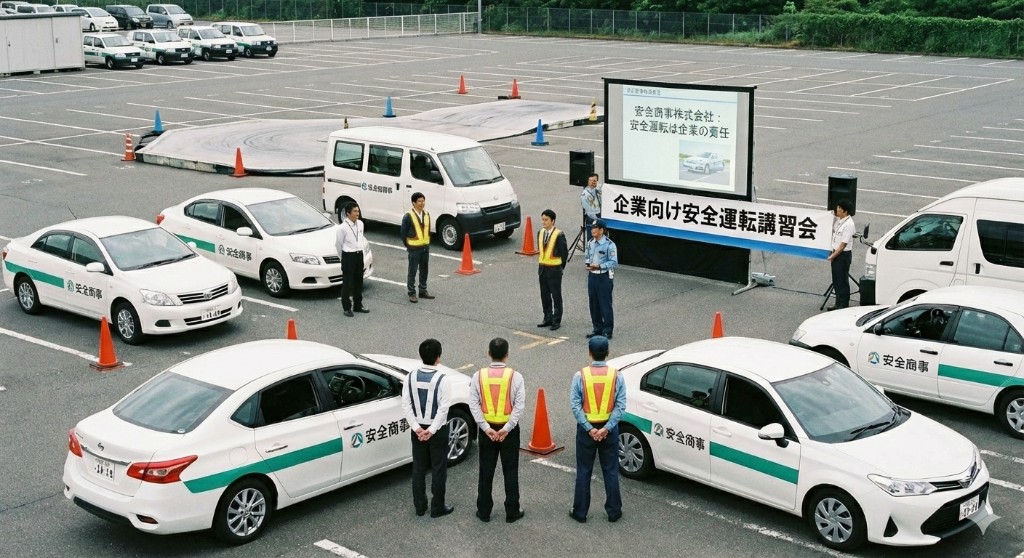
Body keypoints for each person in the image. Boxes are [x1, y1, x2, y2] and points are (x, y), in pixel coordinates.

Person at [569, 335, 626, 523]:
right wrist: (607, 428)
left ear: (589, 353)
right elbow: (620, 406)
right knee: (610, 471)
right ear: (607, 352)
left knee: (584, 471)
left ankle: (580, 512)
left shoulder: (581, 376)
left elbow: (575, 405)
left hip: (586, 431)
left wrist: (589, 428)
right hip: (609, 431)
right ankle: (614, 511)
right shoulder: (616, 375)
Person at [469, 337, 526, 524]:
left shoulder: (478, 376)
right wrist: (506, 429)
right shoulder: (515, 377)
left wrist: (486, 428)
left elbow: (474, 405)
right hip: (508, 432)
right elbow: (519, 406)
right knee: (510, 471)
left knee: (486, 471)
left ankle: (484, 511)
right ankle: (512, 511)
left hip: (487, 432)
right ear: (507, 355)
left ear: (489, 353)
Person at [400, 338, 454, 518]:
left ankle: (420, 506)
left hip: (417, 429)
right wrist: (431, 430)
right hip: (437, 430)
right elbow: (443, 408)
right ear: (438, 357)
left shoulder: (410, 377)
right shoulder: (443, 379)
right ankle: (437, 506)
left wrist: (417, 429)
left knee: (418, 468)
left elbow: (406, 405)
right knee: (438, 468)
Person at [584, 219, 617, 339]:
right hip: (592, 276)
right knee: (593, 303)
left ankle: (607, 330)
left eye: (595, 228)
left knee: (605, 304)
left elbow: (613, 262)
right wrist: (588, 264)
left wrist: (599, 266)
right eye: (592, 228)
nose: (592, 230)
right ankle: (597, 328)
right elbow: (587, 256)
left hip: (604, 276)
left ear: (602, 230)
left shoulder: (609, 244)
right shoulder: (590, 243)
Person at [400, 192, 435, 304]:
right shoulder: (408, 216)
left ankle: (422, 290)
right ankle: (412, 293)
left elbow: (428, 230)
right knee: (412, 271)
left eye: (423, 201)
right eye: (419, 201)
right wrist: (409, 245)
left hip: (425, 247)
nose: (422, 203)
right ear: (414, 203)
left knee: (424, 270)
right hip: (414, 249)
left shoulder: (426, 214)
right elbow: (403, 233)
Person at [537, 209, 568, 331]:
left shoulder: (559, 235)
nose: (543, 222)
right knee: (544, 295)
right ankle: (547, 317)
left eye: (546, 220)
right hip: (543, 269)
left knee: (556, 295)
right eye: (542, 219)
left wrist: (561, 268)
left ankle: (556, 320)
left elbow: (564, 253)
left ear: (553, 221)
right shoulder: (540, 233)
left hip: (554, 269)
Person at [335, 202, 367, 317]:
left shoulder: (360, 224)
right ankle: (347, 307)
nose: (357, 213)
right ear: (348, 213)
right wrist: (342, 258)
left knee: (359, 280)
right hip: (348, 256)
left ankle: (358, 305)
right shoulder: (342, 228)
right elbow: (338, 244)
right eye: (354, 211)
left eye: (358, 211)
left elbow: (360, 238)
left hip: (359, 254)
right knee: (347, 283)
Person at [827, 199, 855, 311]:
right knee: (836, 280)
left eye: (839, 208)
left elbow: (843, 245)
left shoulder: (849, 225)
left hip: (842, 255)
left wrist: (833, 256)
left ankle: (843, 305)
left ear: (845, 211)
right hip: (836, 253)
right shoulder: (840, 220)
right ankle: (837, 303)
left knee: (842, 280)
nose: (837, 209)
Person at [578, 173, 602, 251]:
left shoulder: (598, 190)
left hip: (599, 214)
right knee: (591, 236)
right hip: (592, 217)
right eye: (590, 180)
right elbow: (588, 211)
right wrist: (597, 220)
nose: (592, 182)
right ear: (588, 181)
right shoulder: (585, 194)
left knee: (601, 235)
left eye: (594, 181)